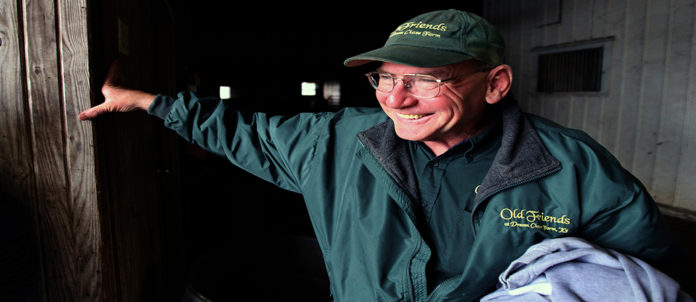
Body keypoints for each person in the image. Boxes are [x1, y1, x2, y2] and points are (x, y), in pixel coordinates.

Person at [79, 9, 687, 301]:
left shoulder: (570, 167)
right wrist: (151, 103)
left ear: (495, 85)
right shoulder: (341, 141)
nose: (396, 97)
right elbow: (246, 132)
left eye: (427, 79)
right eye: (384, 78)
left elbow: (640, 273)